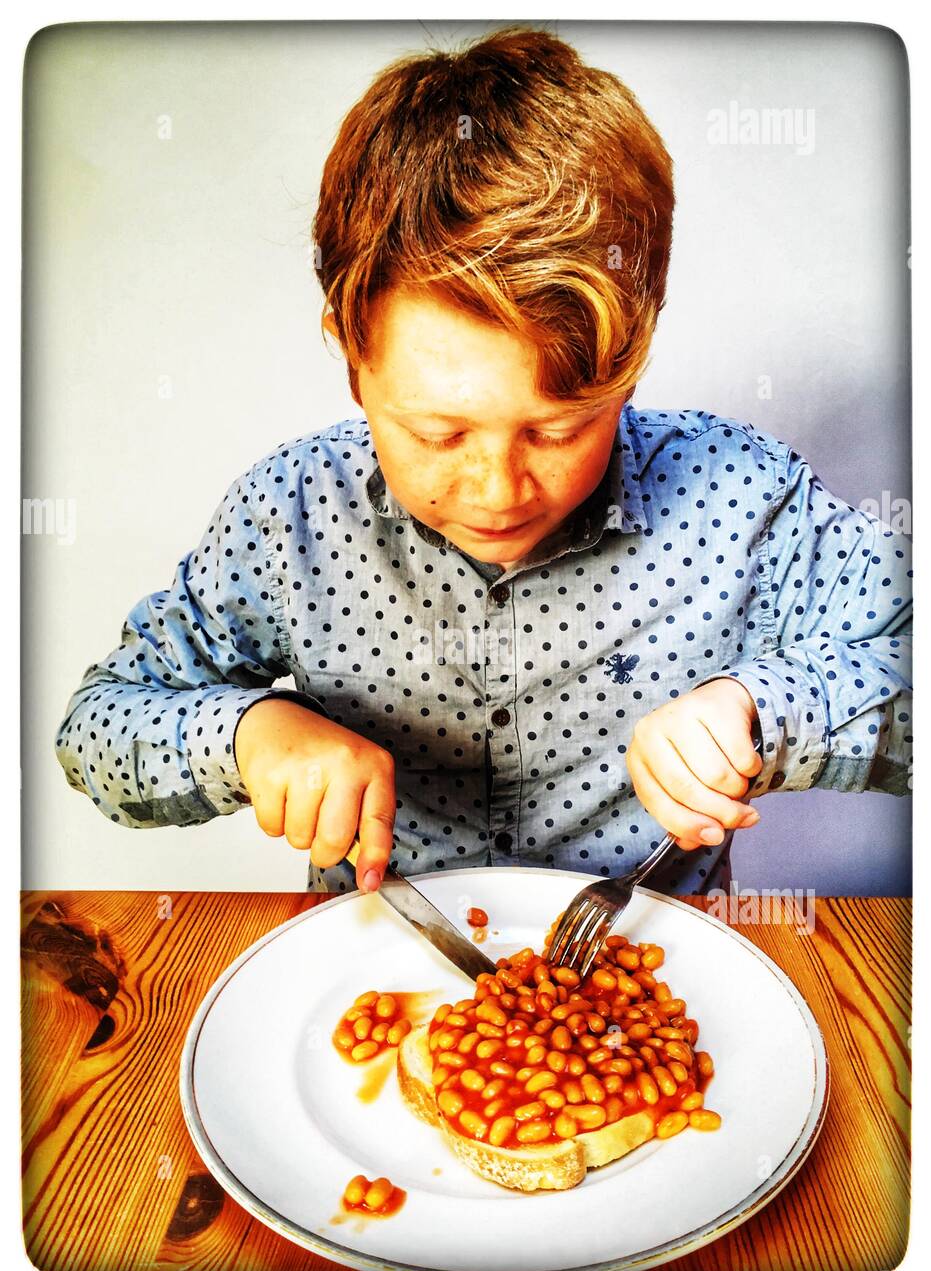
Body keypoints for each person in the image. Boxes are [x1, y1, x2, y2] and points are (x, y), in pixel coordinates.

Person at [55, 26, 912, 898]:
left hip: (657, 996)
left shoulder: (742, 500)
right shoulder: (291, 517)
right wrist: (250, 733)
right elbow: (93, 729)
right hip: (372, 996)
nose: (498, 492)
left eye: (556, 429)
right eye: (439, 434)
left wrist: (767, 714)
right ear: (355, 365)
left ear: (630, 367)